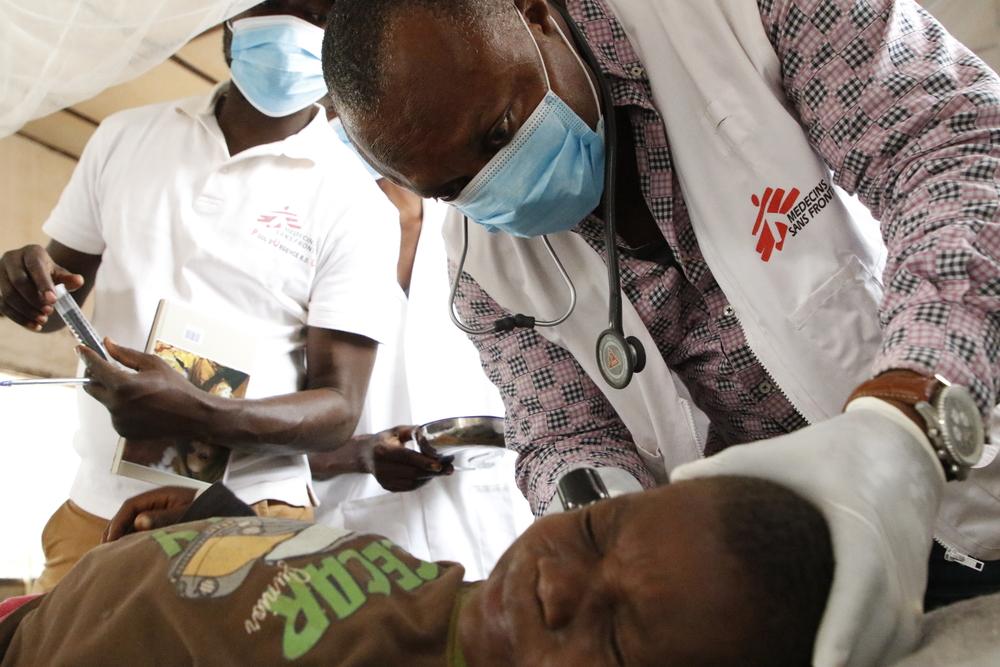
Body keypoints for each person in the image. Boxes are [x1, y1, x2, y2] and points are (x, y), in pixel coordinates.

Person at [321, 0, 1000, 661]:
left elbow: (954, 151)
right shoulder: (483, 269)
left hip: (968, 470)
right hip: (779, 580)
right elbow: (561, 431)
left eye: (499, 133)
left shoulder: (738, 14)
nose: (496, 187)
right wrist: (604, 520)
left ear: (533, 13)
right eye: (453, 187)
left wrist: (906, 424)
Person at [0, 0, 402, 591]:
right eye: (279, 4)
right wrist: (22, 286)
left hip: (250, 516)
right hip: (95, 512)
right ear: (224, 14)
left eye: (320, 13)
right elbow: (57, 302)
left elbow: (338, 412)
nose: (297, 25)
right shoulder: (124, 137)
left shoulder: (356, 202)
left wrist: (199, 411)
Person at [0, 476, 835, 666]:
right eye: (592, 529)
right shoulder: (445, 588)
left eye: (616, 632)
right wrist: (214, 517)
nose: (558, 582)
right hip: (50, 600)